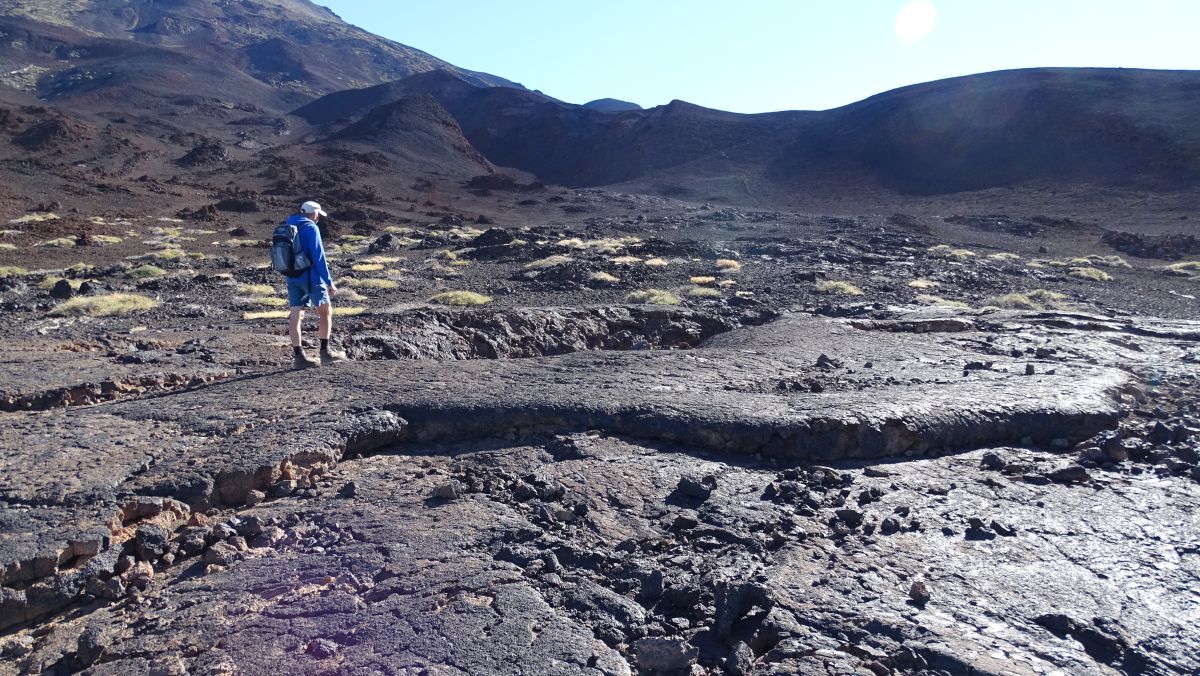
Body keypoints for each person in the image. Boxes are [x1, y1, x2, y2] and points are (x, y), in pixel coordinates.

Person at [285, 201, 347, 369]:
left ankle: (299, 357)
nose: (318, 217)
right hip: (311, 278)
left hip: (292, 278)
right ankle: (325, 353)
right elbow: (319, 258)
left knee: (296, 315)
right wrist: (329, 282)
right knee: (326, 311)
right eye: (318, 214)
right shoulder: (312, 228)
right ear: (314, 214)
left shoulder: (288, 224)